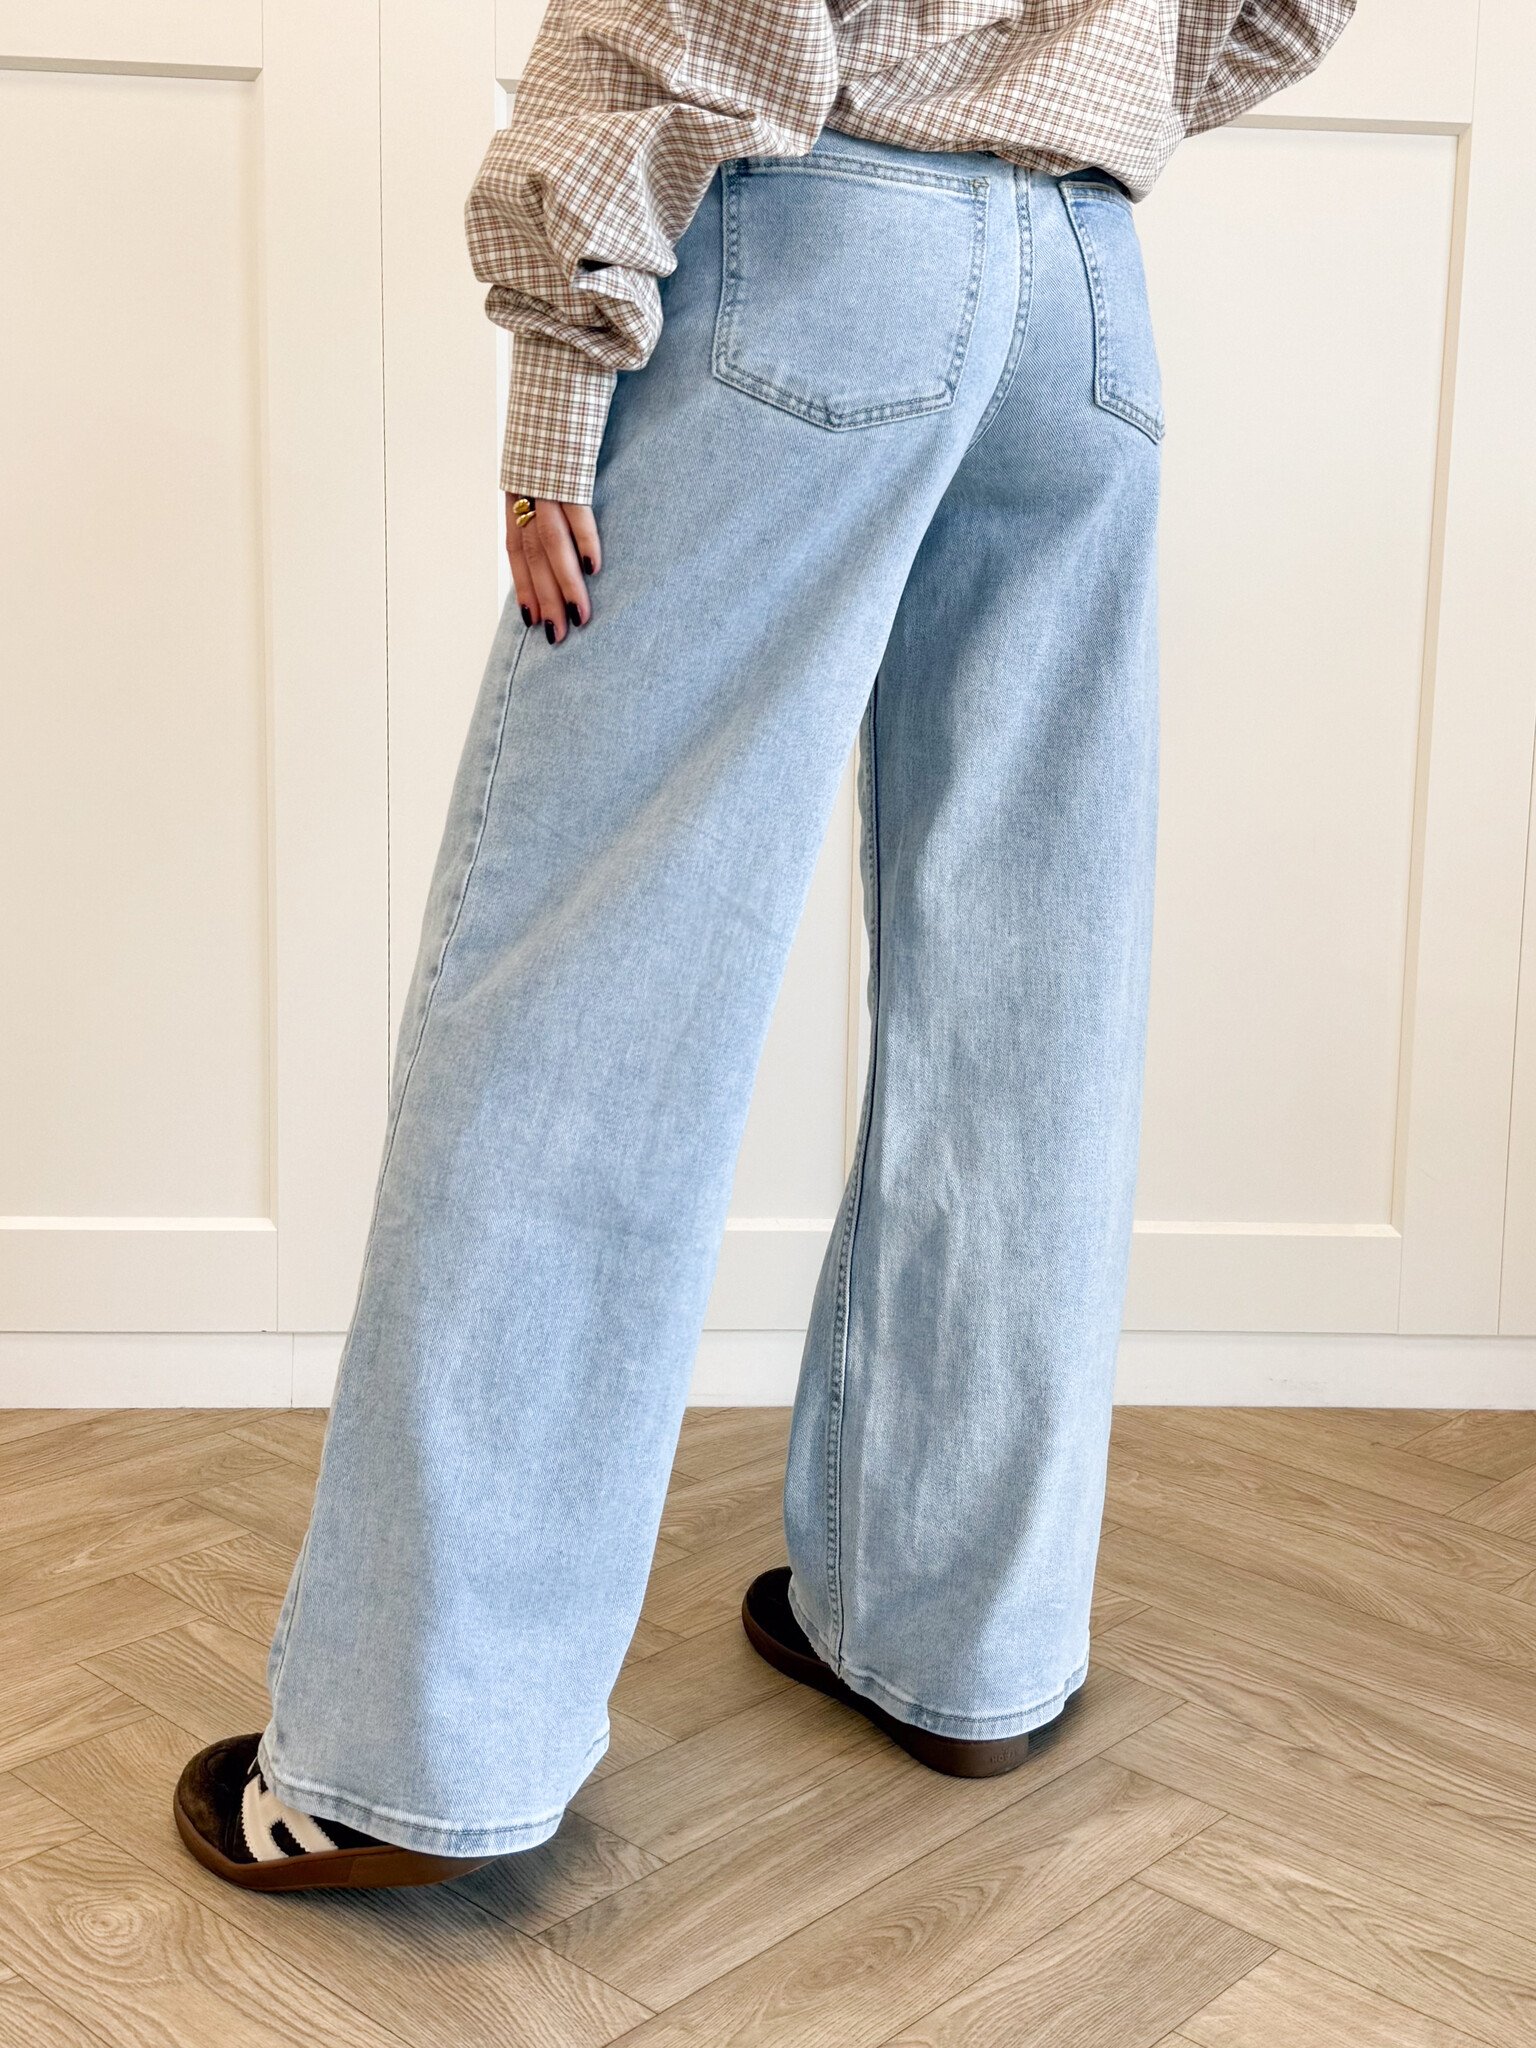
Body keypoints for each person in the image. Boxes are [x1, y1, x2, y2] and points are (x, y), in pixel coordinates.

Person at [173, 0, 1355, 1890]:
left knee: (589, 982)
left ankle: (410, 1755)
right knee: (1026, 1004)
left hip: (819, 251)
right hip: (1083, 301)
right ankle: (960, 1644)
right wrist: (1080, 90)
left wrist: (563, 351)